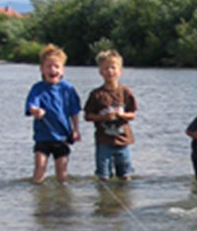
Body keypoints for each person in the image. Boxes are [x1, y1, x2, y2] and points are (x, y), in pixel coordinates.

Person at [24, 44, 81, 184]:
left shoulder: (67, 88)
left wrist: (76, 130)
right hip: (42, 137)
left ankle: (62, 198)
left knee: (62, 174)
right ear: (42, 70)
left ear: (62, 70)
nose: (52, 70)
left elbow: (75, 110)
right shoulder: (37, 88)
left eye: (56, 66)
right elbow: (31, 105)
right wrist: (36, 111)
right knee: (39, 169)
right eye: (48, 66)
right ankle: (38, 198)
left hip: (62, 137)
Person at [83, 49, 137, 181]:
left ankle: (124, 197)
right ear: (100, 72)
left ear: (120, 71)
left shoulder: (125, 92)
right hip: (103, 140)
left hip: (123, 139)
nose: (110, 71)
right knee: (103, 175)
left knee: (125, 174)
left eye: (113, 68)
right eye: (106, 68)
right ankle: (103, 199)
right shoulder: (96, 94)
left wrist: (122, 115)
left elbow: (132, 114)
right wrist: (103, 117)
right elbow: (88, 116)